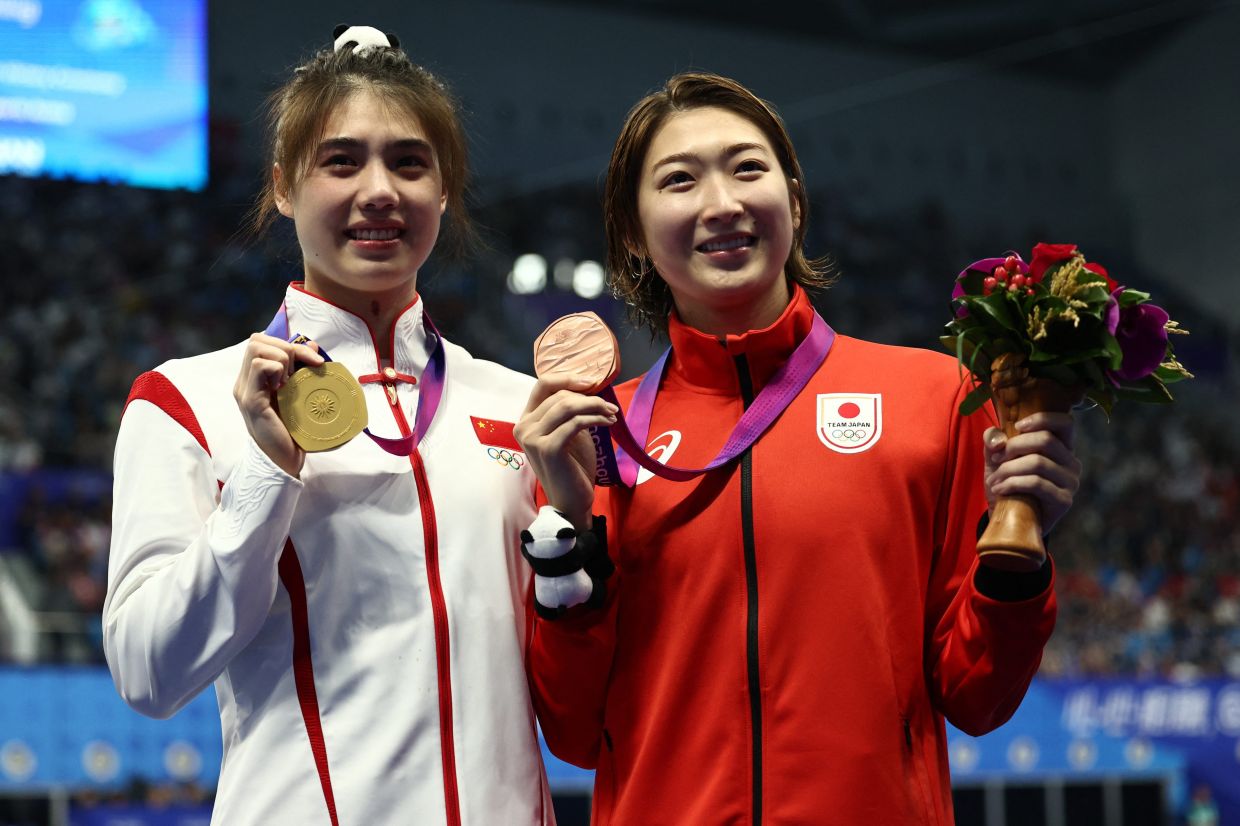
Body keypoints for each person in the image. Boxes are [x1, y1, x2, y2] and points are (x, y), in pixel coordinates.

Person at [516, 72, 1081, 824]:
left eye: (747, 169)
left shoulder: (935, 398)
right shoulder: (593, 438)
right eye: (679, 181)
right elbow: (576, 733)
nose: (721, 204)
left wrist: (1021, 559)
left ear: (795, 200)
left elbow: (977, 695)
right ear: (631, 231)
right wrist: (569, 525)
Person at [103, 26, 553, 826]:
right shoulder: (186, 401)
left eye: (409, 163)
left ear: (444, 190)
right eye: (341, 162)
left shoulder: (522, 408)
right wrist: (263, 479)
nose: (379, 190)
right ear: (282, 186)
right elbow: (147, 672)